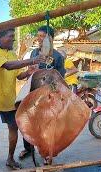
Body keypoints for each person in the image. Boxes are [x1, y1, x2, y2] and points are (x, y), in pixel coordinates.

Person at [0, 29, 45, 171]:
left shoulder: (12, 54)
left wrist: (28, 72)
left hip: (10, 100)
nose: (13, 40)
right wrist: (33, 59)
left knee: (14, 129)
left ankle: (10, 158)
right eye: (10, 37)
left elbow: (18, 75)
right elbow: (8, 65)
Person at [19, 25, 66, 160]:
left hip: (49, 95)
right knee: (28, 122)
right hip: (33, 92)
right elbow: (29, 71)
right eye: (38, 36)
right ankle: (28, 149)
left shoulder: (57, 56)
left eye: (42, 36)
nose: (39, 39)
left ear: (50, 38)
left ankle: (47, 153)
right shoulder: (34, 53)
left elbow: (60, 78)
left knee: (47, 125)